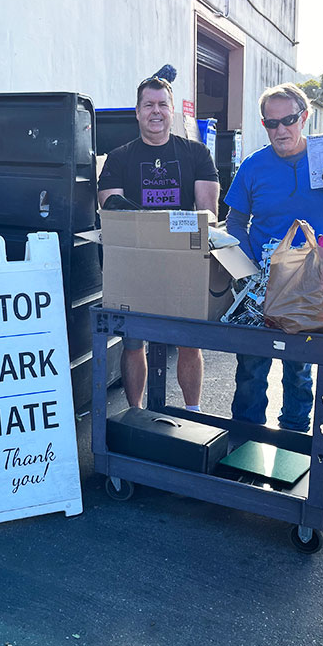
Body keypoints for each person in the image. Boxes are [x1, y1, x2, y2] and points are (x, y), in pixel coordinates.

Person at [225, 82, 323, 431]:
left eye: (288, 120)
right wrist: (248, 268)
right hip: (263, 282)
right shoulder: (254, 165)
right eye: (271, 123)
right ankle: (246, 438)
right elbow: (235, 221)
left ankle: (295, 440)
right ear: (264, 125)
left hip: (314, 284)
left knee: (299, 370)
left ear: (303, 118)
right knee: (251, 368)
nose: (280, 129)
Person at [97, 75, 220, 410]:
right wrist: (160, 228)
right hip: (135, 265)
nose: (156, 111)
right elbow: (113, 208)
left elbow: (207, 214)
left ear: (172, 111)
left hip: (183, 264)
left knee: (188, 344)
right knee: (134, 344)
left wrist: (158, 229)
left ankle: (194, 413)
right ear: (137, 112)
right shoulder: (119, 158)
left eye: (162, 104)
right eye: (148, 105)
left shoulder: (196, 153)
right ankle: (135, 413)